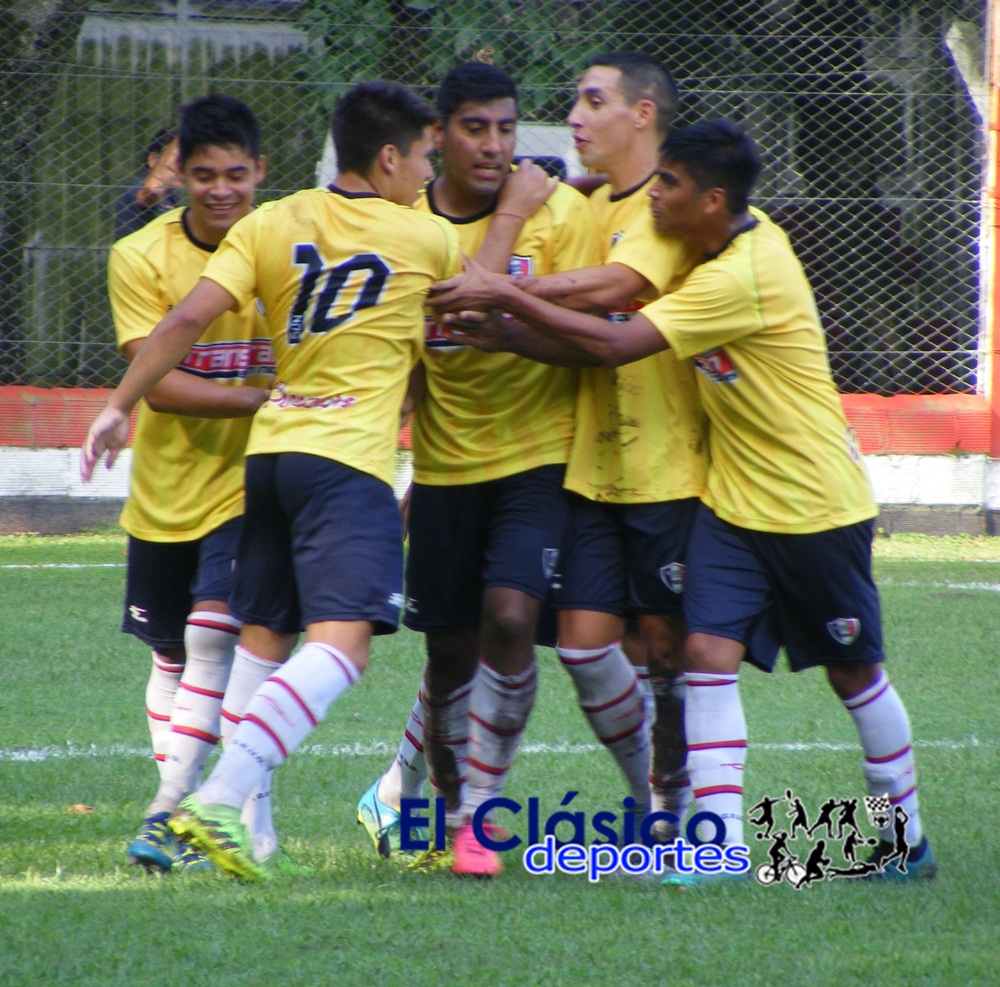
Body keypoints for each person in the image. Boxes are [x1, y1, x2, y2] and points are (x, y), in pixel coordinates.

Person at [435, 119, 934, 886]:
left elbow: (614, 342)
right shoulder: (709, 239)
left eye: (669, 186)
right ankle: (717, 845)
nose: (656, 196)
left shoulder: (747, 272)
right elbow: (602, 312)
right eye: (656, 180)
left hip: (814, 505)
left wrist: (501, 291)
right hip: (732, 502)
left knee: (853, 672)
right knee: (705, 656)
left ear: (713, 200)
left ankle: (904, 836)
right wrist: (506, 330)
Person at [82, 80, 460, 882]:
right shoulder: (425, 238)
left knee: (259, 636)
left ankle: (246, 834)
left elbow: (183, 321)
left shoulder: (273, 221)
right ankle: (213, 801)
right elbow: (474, 307)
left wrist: (117, 406)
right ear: (389, 157)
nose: (430, 172)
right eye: (425, 156)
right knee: (346, 644)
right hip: (345, 462)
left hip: (270, 457)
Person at [432, 52, 708, 842]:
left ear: (642, 114)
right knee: (585, 650)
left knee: (669, 653)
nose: (574, 118)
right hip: (590, 462)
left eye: (591, 102)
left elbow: (612, 300)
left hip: (668, 462)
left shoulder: (670, 212)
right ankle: (647, 802)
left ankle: (681, 813)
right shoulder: (589, 205)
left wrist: (502, 294)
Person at [354, 61, 603, 877]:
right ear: (438, 137)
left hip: (539, 458)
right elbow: (425, 343)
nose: (494, 146)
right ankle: (406, 786)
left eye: (506, 127)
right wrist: (407, 468)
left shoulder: (559, 214)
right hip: (447, 467)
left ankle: (475, 819)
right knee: (448, 655)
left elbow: (592, 334)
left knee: (509, 616)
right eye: (474, 128)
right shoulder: (408, 222)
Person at [106, 94, 273, 872]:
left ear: (259, 171)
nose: (220, 190)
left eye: (235, 174)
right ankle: (209, 805)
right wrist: (261, 396)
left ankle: (184, 809)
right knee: (171, 657)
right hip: (164, 489)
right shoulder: (139, 256)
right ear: (178, 174)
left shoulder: (286, 247)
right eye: (203, 174)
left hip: (254, 484)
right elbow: (160, 383)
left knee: (219, 637)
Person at [114, 127, 183, 240]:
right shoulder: (139, 190)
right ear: (153, 159)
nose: (181, 167)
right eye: (177, 160)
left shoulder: (171, 195)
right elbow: (146, 200)